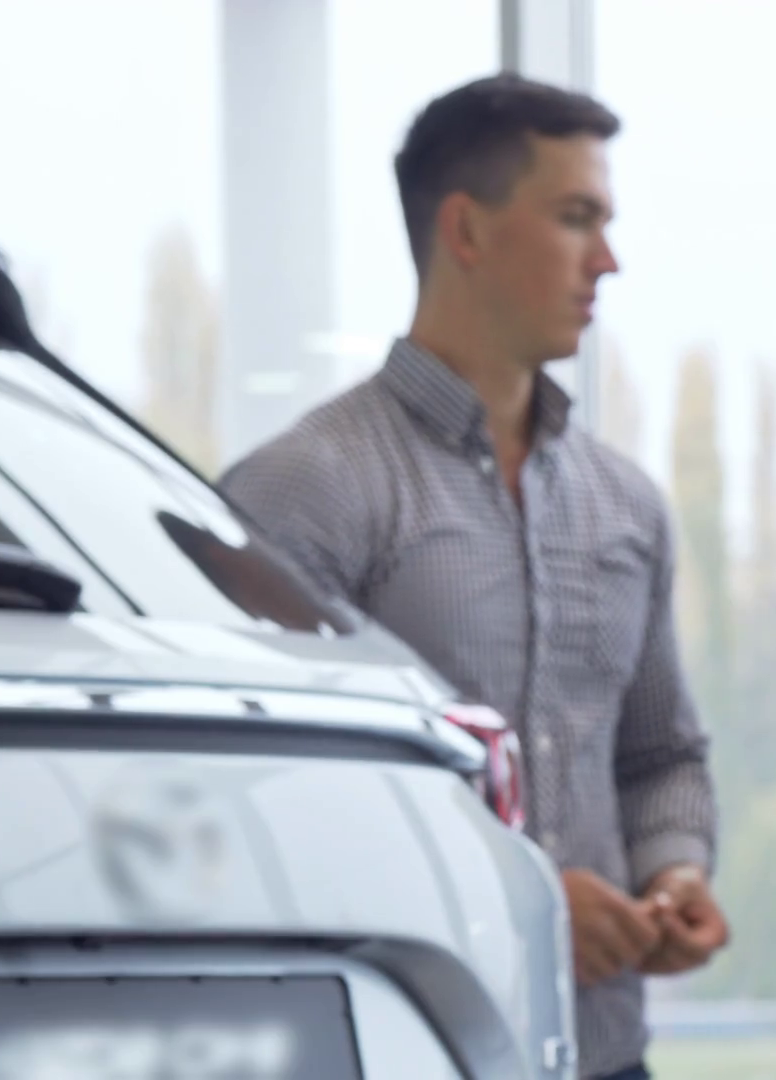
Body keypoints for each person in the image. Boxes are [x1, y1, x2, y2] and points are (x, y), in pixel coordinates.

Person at [220, 75, 726, 1080]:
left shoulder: (626, 504)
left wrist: (675, 873)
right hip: (396, 1053)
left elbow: (661, 753)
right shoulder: (301, 490)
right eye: (577, 218)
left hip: (604, 1052)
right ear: (466, 229)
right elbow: (267, 799)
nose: (609, 260)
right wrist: (522, 900)